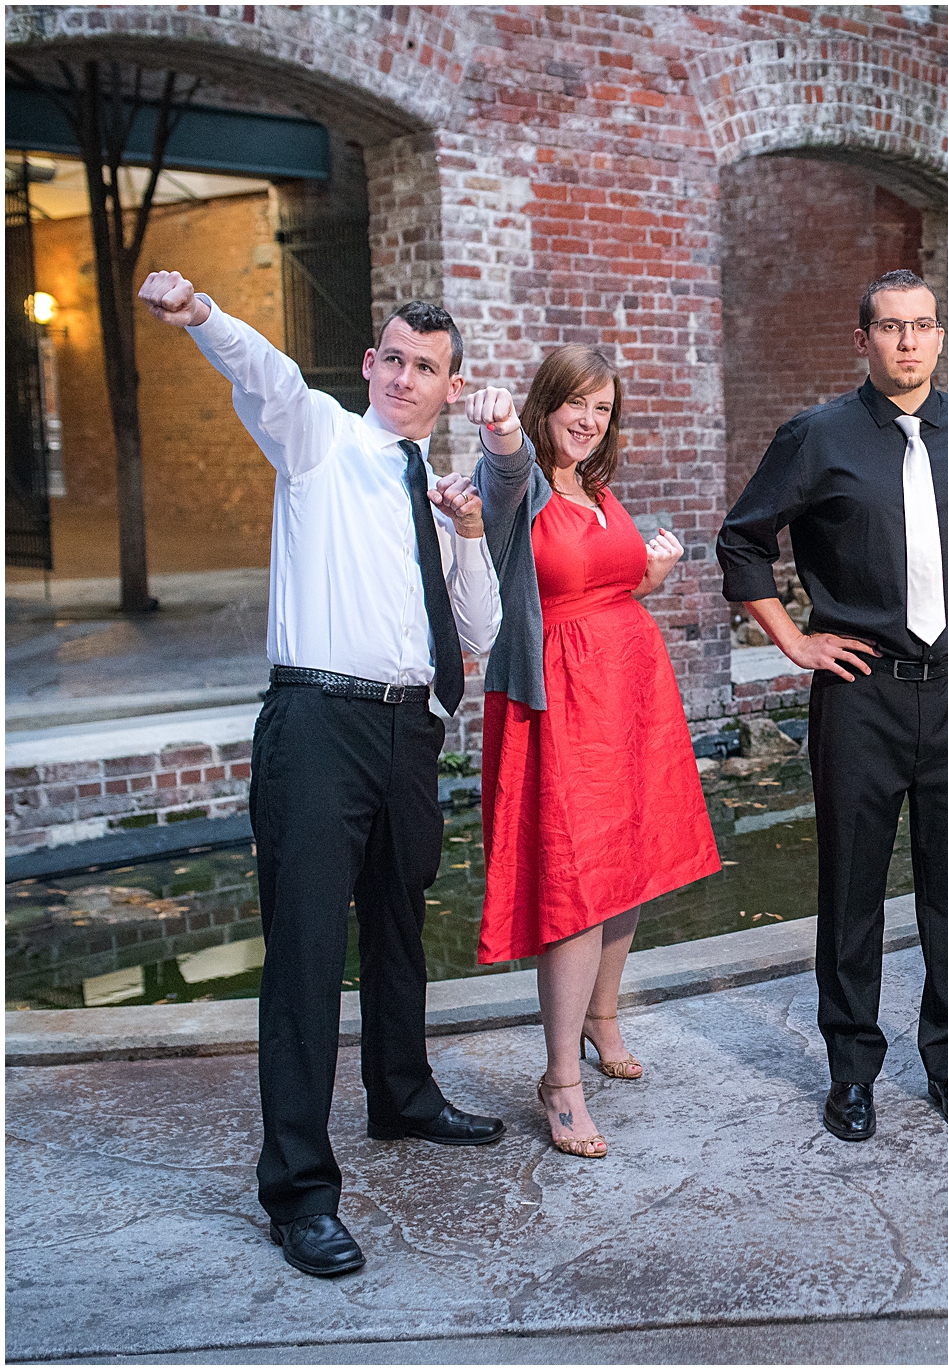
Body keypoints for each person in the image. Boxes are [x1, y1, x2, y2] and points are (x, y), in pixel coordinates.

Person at [137, 271, 507, 1279]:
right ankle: (299, 1190)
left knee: (398, 923)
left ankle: (404, 1094)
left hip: (408, 733)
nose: (402, 375)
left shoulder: (437, 499)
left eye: (424, 367)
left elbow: (477, 633)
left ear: (449, 385)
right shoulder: (321, 442)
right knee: (304, 954)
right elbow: (271, 379)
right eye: (390, 357)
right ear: (369, 365)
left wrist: (471, 537)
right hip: (315, 720)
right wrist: (204, 316)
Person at [717, 268, 948, 1143]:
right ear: (862, 339)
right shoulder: (816, 437)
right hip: (858, 695)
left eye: (922, 327)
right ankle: (852, 1074)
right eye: (890, 328)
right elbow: (742, 542)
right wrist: (793, 644)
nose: (908, 342)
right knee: (852, 889)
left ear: (942, 338)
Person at [468, 347, 720, 1159]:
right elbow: (502, 473)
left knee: (629, 864)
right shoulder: (521, 488)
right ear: (545, 405)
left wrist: (652, 577)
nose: (588, 421)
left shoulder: (598, 491)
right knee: (576, 882)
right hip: (560, 701)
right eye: (575, 404)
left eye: (603, 409)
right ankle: (559, 1080)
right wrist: (501, 428)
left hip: (629, 689)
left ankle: (603, 1015)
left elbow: (604, 581)